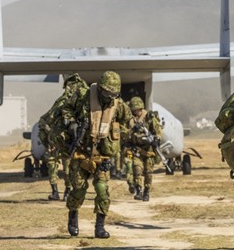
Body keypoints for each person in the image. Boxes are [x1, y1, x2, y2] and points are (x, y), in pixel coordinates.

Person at [62, 70, 132, 238]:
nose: (109, 97)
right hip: (81, 153)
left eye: (113, 94)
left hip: (102, 155)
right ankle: (73, 216)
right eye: (107, 93)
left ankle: (100, 227)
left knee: (102, 190)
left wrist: (116, 132)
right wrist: (71, 123)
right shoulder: (83, 96)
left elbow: (127, 122)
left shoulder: (118, 105)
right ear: (100, 89)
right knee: (79, 189)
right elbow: (66, 108)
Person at [38, 73, 88, 201]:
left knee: (65, 167)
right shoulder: (67, 103)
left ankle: (64, 191)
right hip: (61, 140)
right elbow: (47, 119)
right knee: (60, 166)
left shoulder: (73, 103)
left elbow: (46, 119)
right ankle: (61, 192)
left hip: (65, 140)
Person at [127, 96, 164, 201]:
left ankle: (147, 191)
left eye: (137, 110)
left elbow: (158, 130)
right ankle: (139, 190)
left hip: (148, 151)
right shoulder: (131, 120)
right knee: (137, 169)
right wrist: (133, 129)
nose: (136, 112)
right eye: (134, 110)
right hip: (137, 150)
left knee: (148, 172)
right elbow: (125, 132)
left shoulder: (149, 117)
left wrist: (156, 140)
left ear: (141, 108)